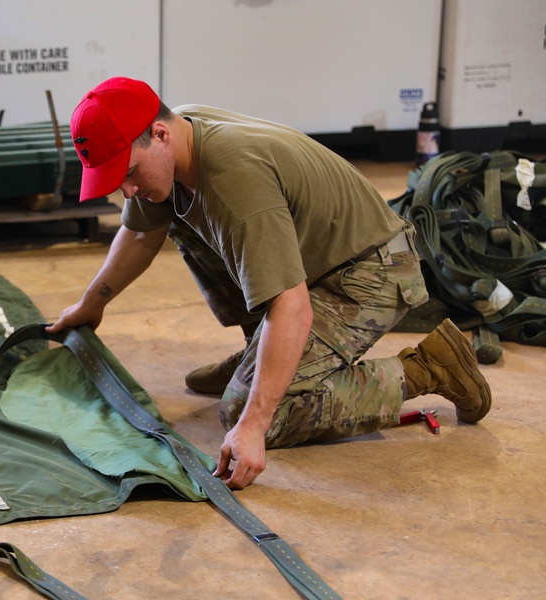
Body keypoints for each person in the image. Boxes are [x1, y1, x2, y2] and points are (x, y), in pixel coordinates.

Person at [46, 77, 491, 490]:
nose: (124, 190)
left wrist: (255, 425)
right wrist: (92, 303)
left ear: (159, 135)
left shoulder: (233, 182)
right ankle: (261, 350)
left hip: (369, 270)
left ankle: (432, 367)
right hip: (313, 262)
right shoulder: (178, 132)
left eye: (128, 172)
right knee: (170, 209)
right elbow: (141, 231)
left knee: (249, 413)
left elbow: (290, 306)